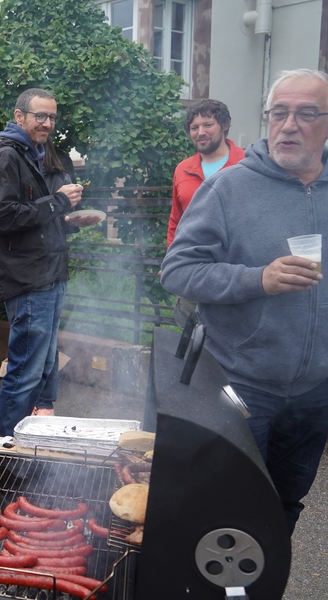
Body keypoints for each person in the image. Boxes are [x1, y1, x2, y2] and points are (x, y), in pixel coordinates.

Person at [161, 68, 328, 533]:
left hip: (316, 391)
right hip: (240, 382)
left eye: (306, 114)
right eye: (279, 113)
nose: (289, 125)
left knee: (286, 502)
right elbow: (178, 271)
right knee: (227, 505)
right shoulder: (229, 187)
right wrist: (259, 279)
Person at [0, 88, 88, 441]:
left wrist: (65, 220)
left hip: (49, 274)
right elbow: (2, 218)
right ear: (19, 116)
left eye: (52, 117)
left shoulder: (34, 153)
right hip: (27, 281)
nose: (47, 123)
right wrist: (58, 202)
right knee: (25, 374)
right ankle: (5, 451)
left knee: (43, 367)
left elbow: (31, 218)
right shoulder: (7, 156)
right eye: (40, 116)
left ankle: (28, 443)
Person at [167, 99, 246, 326]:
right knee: (192, 334)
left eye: (208, 124)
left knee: (233, 334)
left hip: (236, 272)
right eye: (194, 127)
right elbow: (176, 220)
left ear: (224, 125)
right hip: (194, 270)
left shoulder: (247, 163)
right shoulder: (183, 169)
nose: (200, 132)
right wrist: (171, 261)